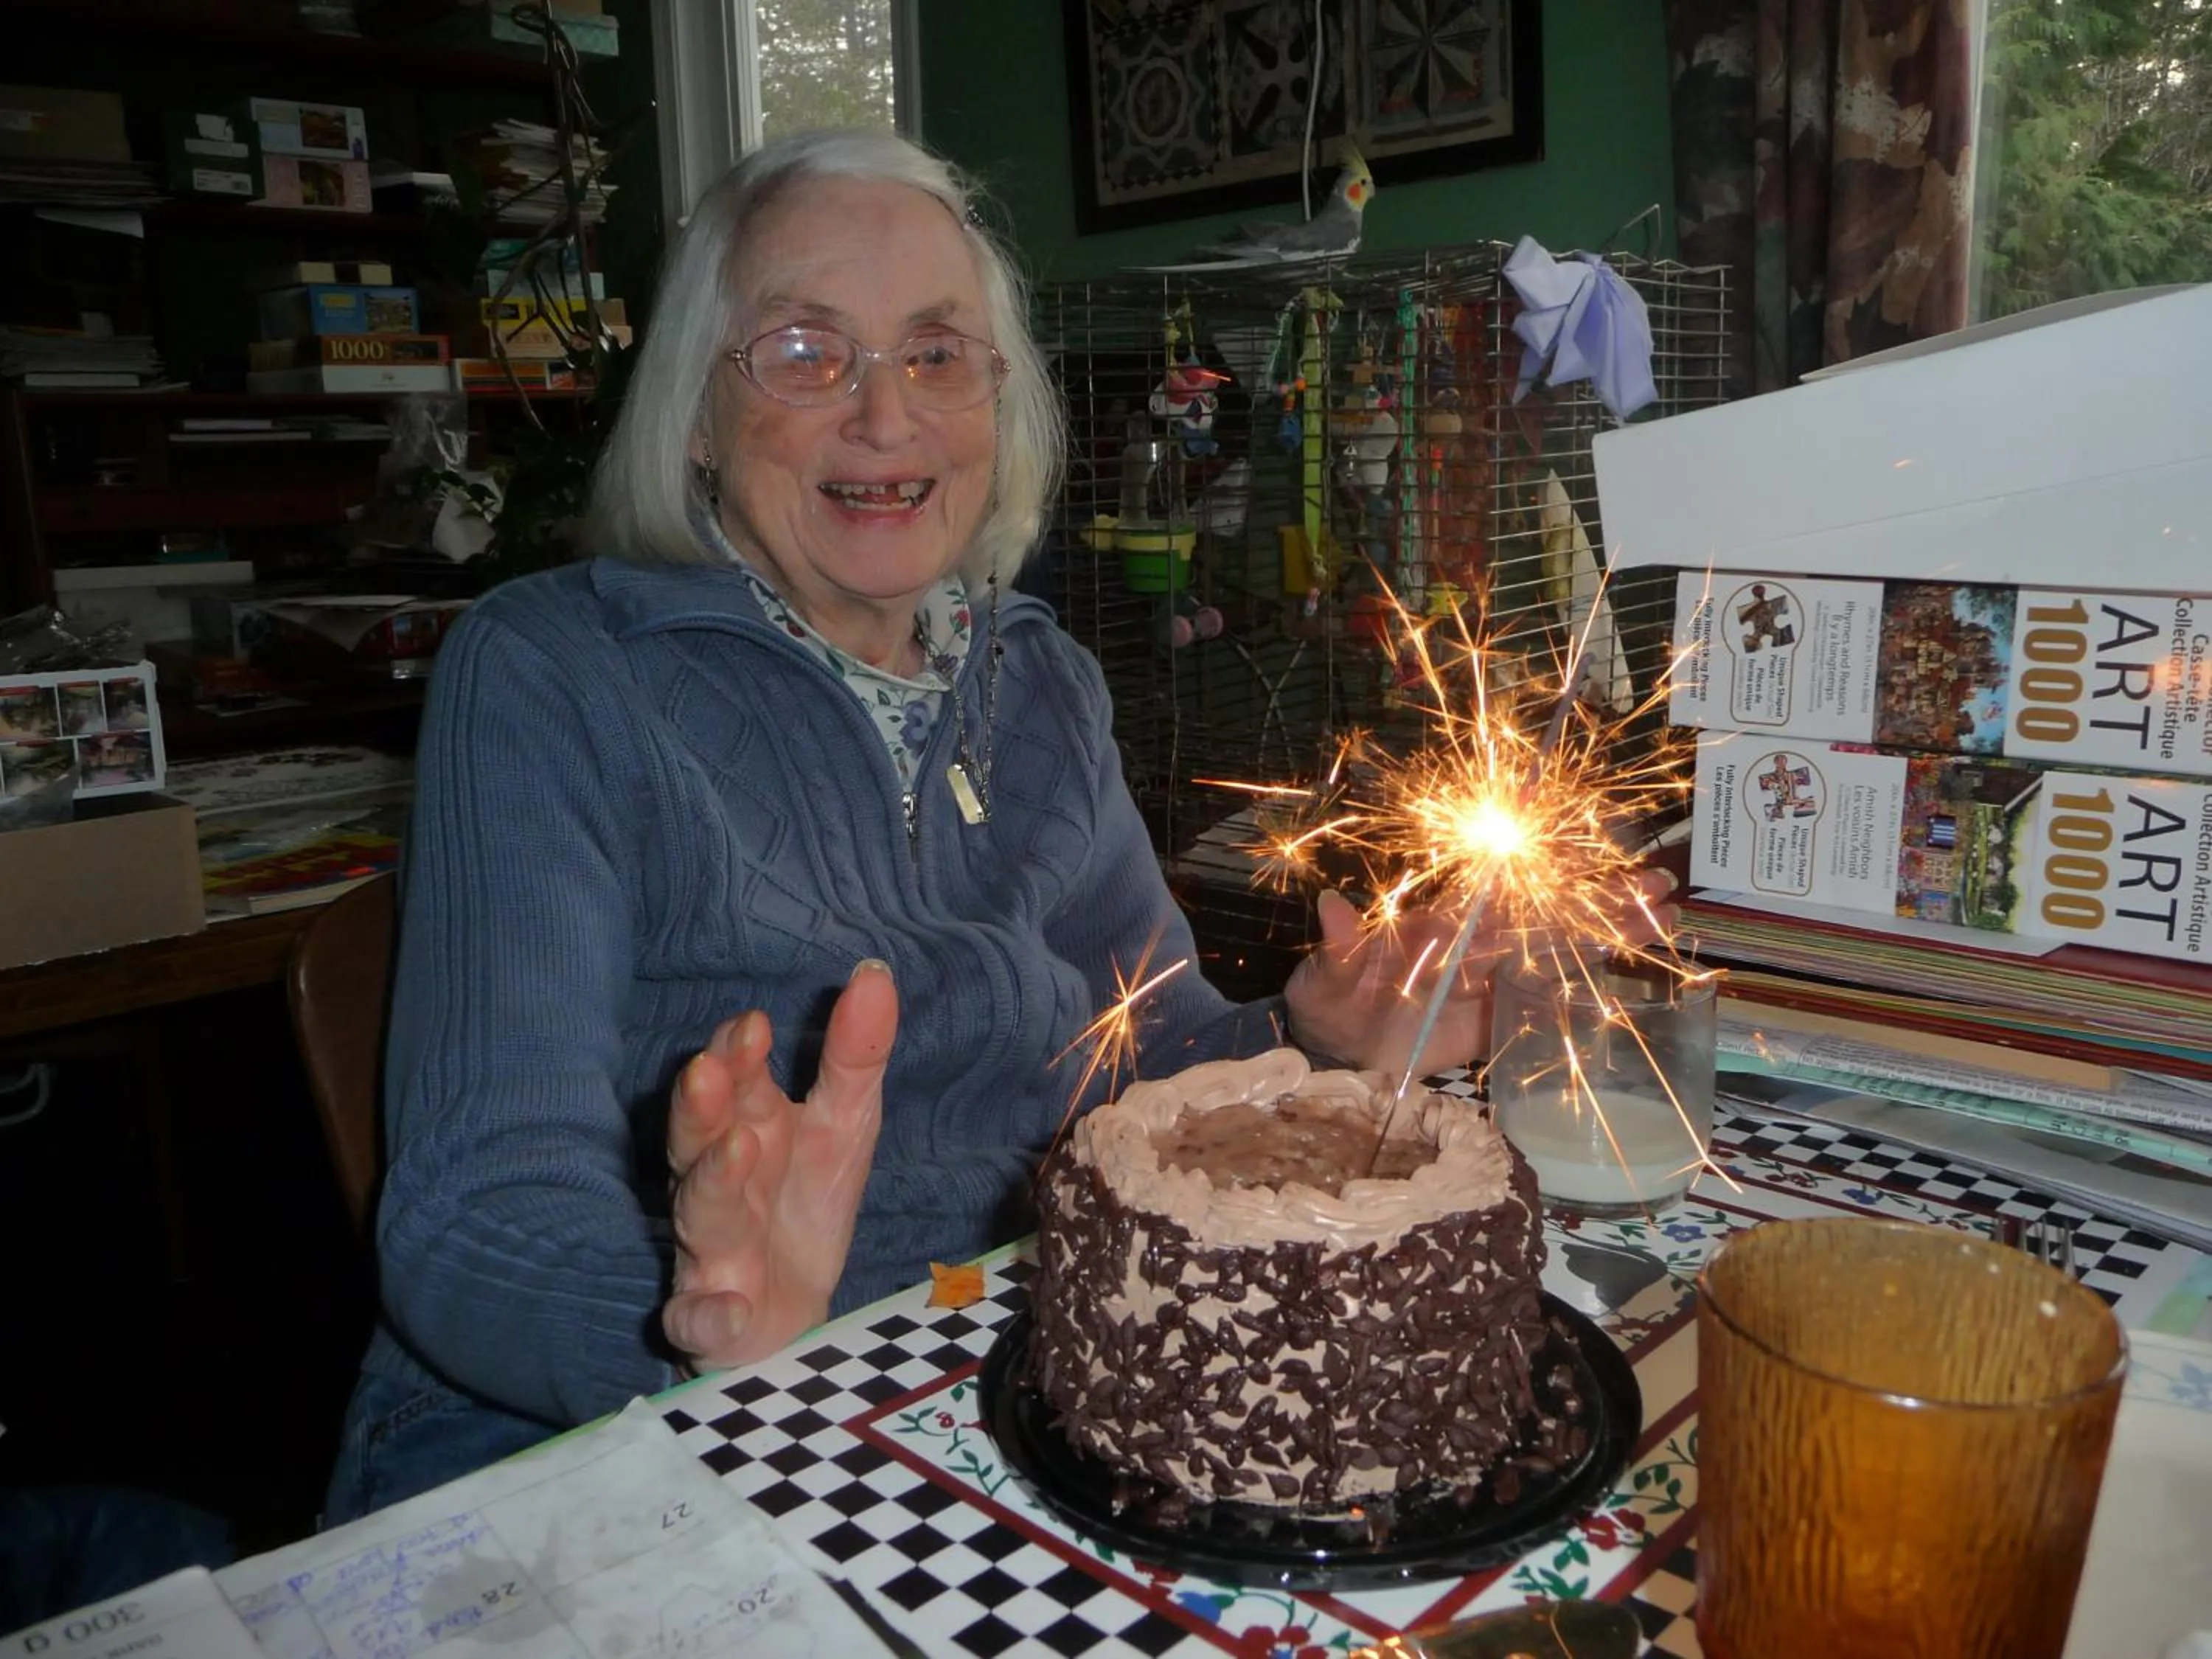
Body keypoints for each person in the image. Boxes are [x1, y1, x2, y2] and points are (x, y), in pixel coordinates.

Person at [324, 130, 1673, 1525]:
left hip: (995, 1375)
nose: (885, 418)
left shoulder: (1036, 679)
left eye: (934, 351)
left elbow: (1153, 1053)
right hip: (593, 1436)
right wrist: (705, 1327)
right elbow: (473, 1215)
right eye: (805, 351)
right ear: (693, 416)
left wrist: (1312, 1036)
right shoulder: (551, 670)